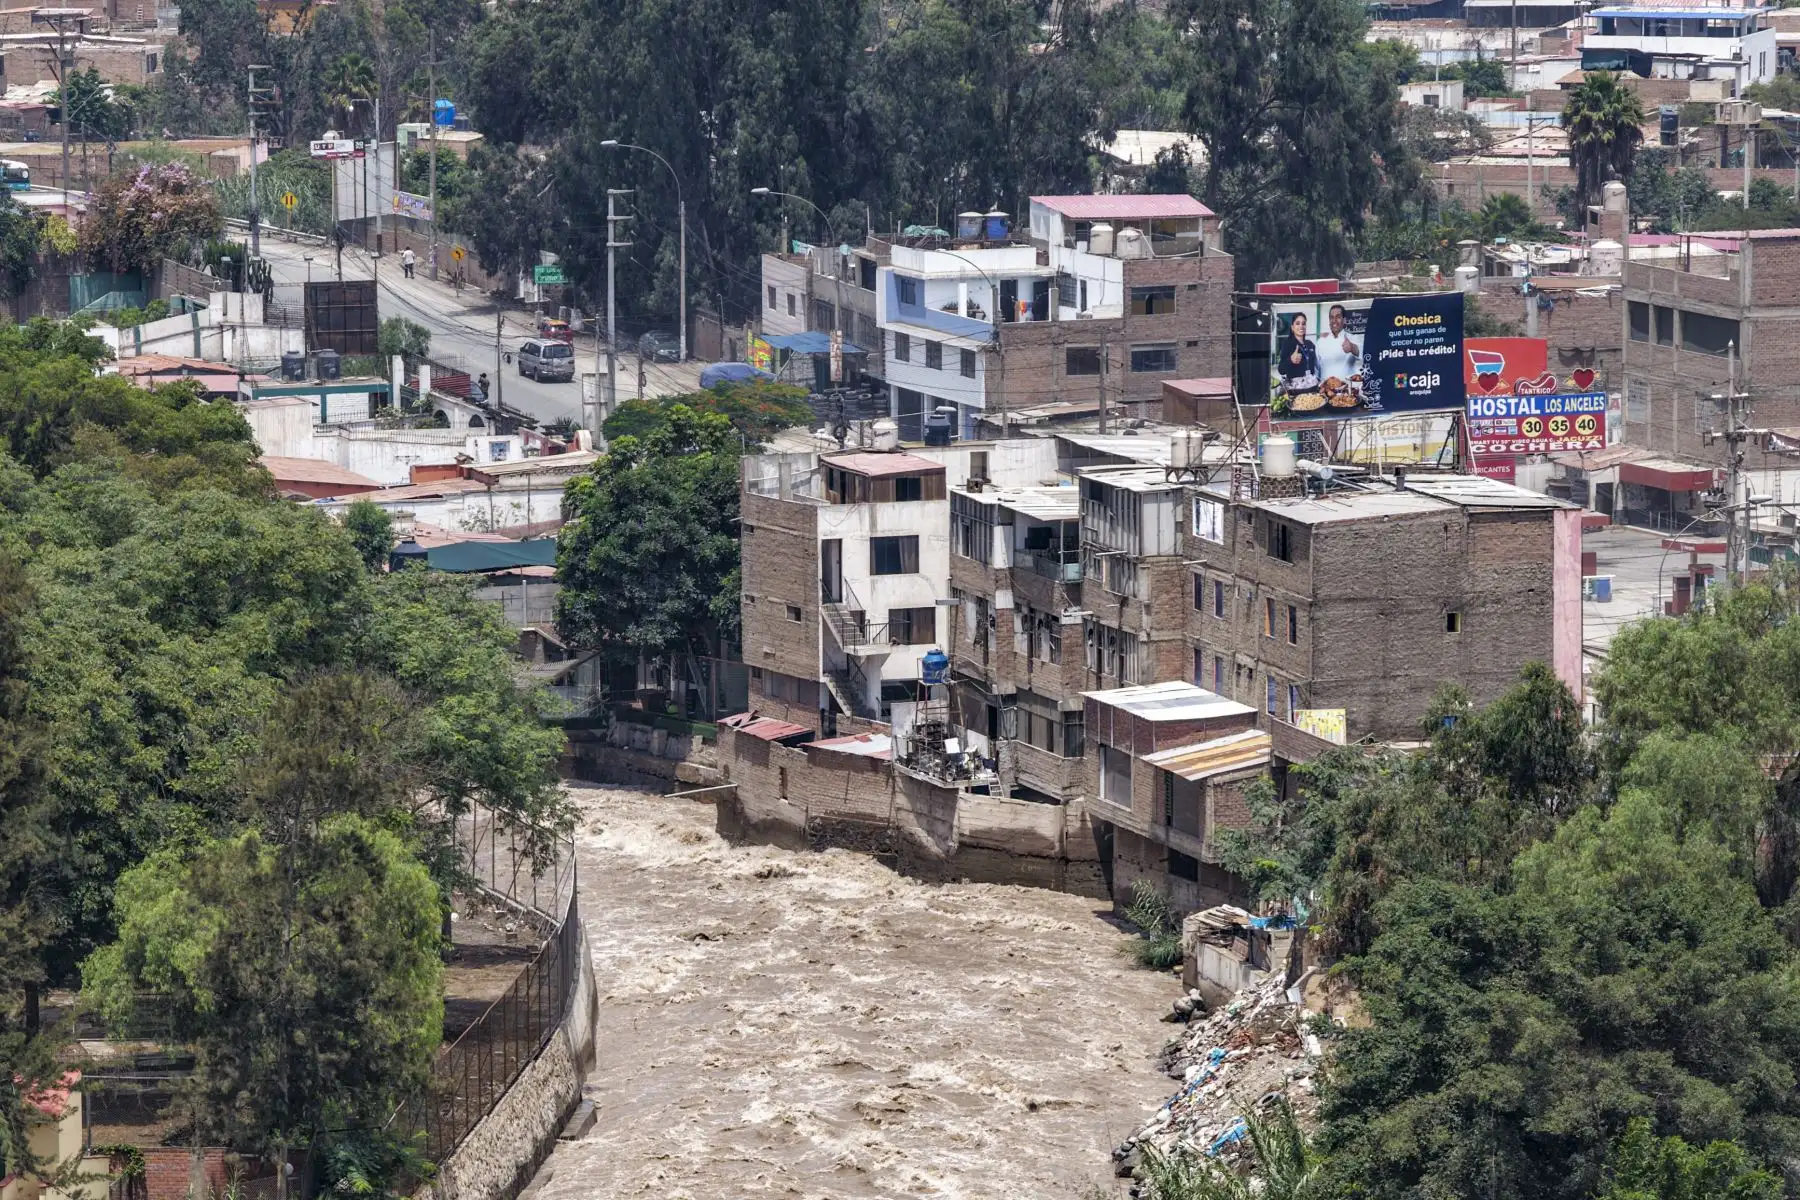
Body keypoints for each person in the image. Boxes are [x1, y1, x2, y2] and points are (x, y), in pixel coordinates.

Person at [1315, 303, 1361, 382]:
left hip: (1347, 390)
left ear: (1344, 320)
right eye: (1331, 317)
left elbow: (1365, 354)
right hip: (1325, 391)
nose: (1334, 320)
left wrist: (1352, 348)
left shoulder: (1353, 338)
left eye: (1338, 317)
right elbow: (1316, 369)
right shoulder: (1321, 341)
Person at [1276, 312, 1319, 391]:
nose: (1301, 326)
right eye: (1297, 323)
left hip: (1311, 388)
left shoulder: (1310, 344)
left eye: (1303, 323)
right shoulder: (1287, 344)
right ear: (1292, 327)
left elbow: (1316, 365)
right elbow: (1281, 370)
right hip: (1296, 390)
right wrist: (1291, 360)